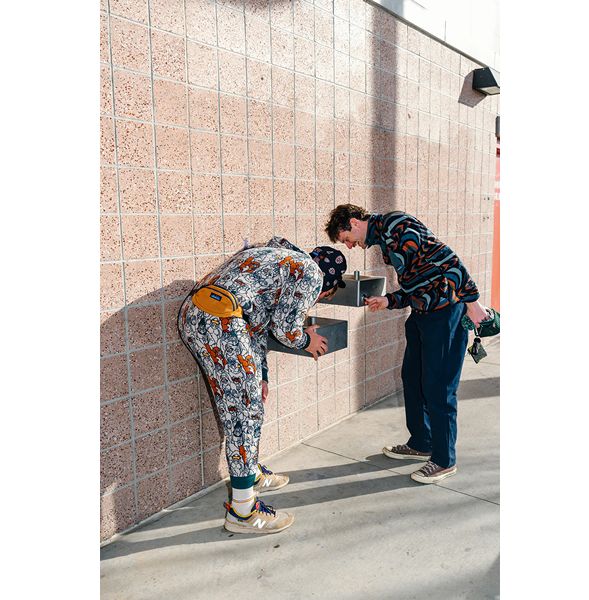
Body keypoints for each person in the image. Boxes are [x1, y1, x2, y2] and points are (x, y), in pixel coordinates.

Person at [178, 237, 347, 534]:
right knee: (245, 413)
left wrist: (262, 375)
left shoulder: (277, 259)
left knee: (246, 405)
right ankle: (243, 511)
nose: (315, 300)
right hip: (222, 322)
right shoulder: (311, 272)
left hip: (200, 316)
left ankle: (251, 471)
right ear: (327, 285)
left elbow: (257, 323)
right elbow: (285, 329)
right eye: (322, 296)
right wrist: (307, 341)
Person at [324, 204, 489, 484]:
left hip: (445, 314)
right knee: (412, 377)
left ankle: (444, 460)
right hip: (423, 314)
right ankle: (422, 442)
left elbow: (448, 259)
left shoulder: (397, 226)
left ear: (354, 223)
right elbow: (418, 283)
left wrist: (472, 302)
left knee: (439, 388)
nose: (350, 246)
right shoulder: (385, 239)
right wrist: (389, 300)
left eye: (346, 239)